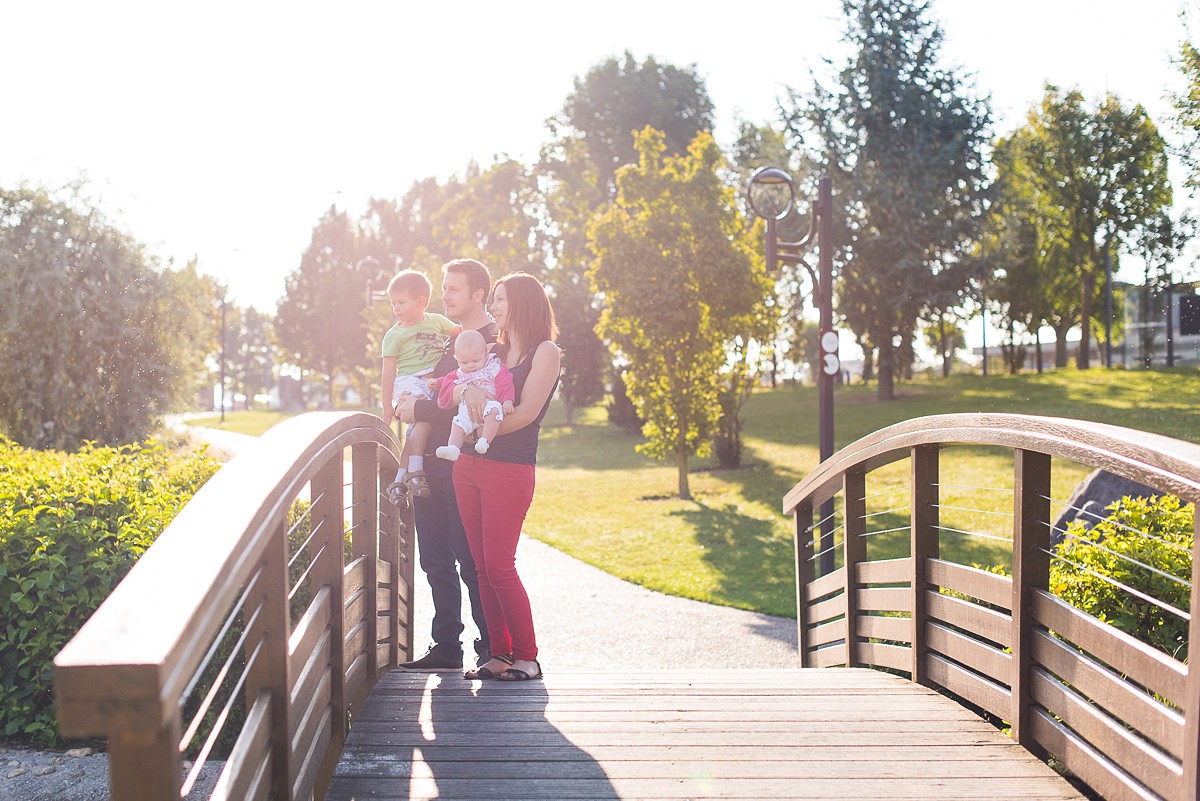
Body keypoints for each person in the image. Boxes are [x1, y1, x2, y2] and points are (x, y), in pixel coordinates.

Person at [454, 272, 560, 682]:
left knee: (500, 564)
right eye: (493, 299)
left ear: (523, 303)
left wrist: (483, 426)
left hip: (510, 469)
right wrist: (469, 395)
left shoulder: (544, 351)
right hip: (468, 465)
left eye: (500, 299)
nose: (494, 307)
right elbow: (461, 383)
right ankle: (499, 654)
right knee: (480, 567)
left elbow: (529, 411)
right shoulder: (493, 350)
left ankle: (527, 656)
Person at [394, 259, 496, 671]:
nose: (445, 295)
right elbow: (440, 390)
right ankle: (446, 646)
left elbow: (470, 396)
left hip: (465, 462)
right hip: (429, 463)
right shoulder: (447, 339)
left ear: (477, 295)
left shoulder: (493, 342)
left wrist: (415, 406)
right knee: (434, 557)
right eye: (444, 288)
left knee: (470, 559)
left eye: (453, 289)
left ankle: (491, 647)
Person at [380, 269, 459, 499]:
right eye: (393, 303)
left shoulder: (436, 321)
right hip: (408, 380)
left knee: (415, 431)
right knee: (424, 416)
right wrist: (387, 406)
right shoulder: (394, 335)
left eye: (401, 302)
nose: (395, 308)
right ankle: (415, 470)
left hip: (431, 382)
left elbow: (461, 332)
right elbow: (388, 372)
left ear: (421, 301)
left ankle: (399, 480)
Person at [432, 329, 514, 461]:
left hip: (489, 404)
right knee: (458, 424)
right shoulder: (459, 372)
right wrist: (436, 383)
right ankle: (453, 448)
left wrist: (507, 400)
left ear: (486, 354)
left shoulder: (492, 367)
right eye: (464, 362)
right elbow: (448, 381)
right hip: (467, 411)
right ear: (456, 358)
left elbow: (505, 382)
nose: (470, 366)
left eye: (476, 361)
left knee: (494, 412)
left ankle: (484, 441)